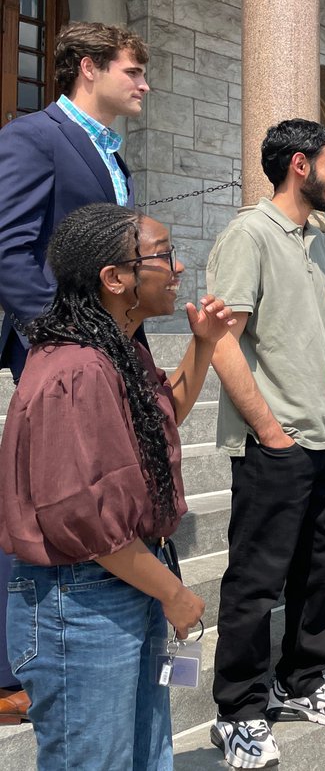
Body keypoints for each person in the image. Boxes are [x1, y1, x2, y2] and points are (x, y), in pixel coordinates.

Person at [0, 202, 230, 769]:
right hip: (78, 604)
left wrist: (202, 343)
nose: (178, 269)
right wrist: (175, 595)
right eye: (164, 256)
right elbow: (87, 521)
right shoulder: (77, 368)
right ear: (115, 277)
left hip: (120, 588)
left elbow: (165, 413)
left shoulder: (114, 350)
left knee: (147, 755)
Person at [0, 21, 149, 718]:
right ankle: (11, 671)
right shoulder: (33, 138)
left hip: (109, 349)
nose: (144, 84)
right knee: (36, 494)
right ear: (88, 68)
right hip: (58, 351)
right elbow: (10, 251)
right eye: (133, 70)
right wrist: (63, 338)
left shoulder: (113, 156)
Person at [206, 119, 325, 769]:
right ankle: (237, 712)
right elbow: (221, 339)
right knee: (256, 579)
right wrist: (271, 430)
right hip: (276, 445)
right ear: (300, 165)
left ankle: (300, 681)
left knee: (318, 571)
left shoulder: (318, 238)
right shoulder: (248, 234)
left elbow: (315, 333)